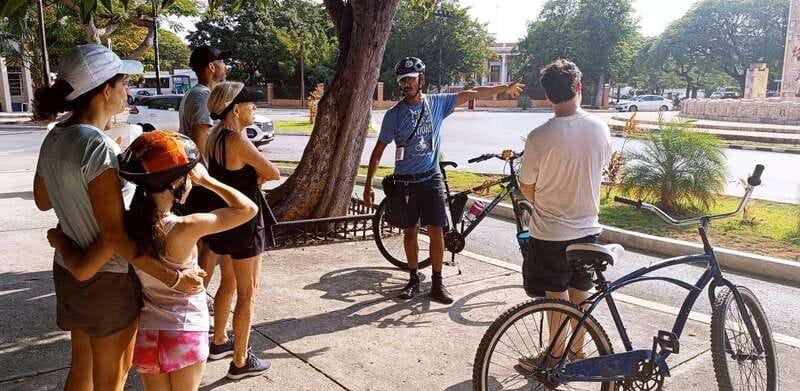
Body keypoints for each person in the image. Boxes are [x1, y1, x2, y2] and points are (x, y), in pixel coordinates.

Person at [32, 44, 204, 391]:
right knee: (112, 378)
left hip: (69, 269)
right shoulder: (99, 148)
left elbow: (43, 200)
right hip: (109, 280)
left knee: (81, 370)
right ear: (105, 90)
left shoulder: (56, 137)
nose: (127, 91)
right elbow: (114, 234)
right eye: (124, 83)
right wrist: (173, 279)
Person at [48, 131, 258, 391]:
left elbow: (82, 268)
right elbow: (248, 209)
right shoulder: (186, 227)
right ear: (177, 182)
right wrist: (209, 181)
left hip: (149, 334)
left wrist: (59, 240)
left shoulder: (126, 228)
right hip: (185, 330)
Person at [363, 57, 523, 304]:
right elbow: (378, 150)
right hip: (405, 182)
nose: (406, 84)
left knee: (437, 231)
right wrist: (367, 185)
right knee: (409, 233)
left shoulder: (437, 104)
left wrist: (503, 88)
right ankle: (414, 279)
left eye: (411, 79)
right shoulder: (393, 115)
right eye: (402, 80)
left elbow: (472, 92)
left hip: (431, 179)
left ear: (421, 80)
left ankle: (437, 283)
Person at [517, 59, 612, 367]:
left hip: (550, 233)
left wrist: (546, 200)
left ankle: (555, 356)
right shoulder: (600, 128)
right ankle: (577, 351)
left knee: (555, 297)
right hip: (588, 228)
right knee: (581, 293)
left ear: (547, 95)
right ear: (579, 88)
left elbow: (526, 187)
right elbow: (602, 169)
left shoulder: (539, 137)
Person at [204, 81, 281, 380]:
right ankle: (240, 361)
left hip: (225, 221)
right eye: (250, 104)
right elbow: (272, 172)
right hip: (246, 223)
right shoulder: (237, 140)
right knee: (248, 293)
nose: (254, 108)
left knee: (229, 284)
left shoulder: (215, 138)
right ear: (236, 109)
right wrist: (257, 179)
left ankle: (219, 341)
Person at [180, 45, 230, 290]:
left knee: (201, 242)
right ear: (211, 67)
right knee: (208, 244)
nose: (225, 67)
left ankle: (195, 294)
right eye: (222, 62)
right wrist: (215, 182)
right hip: (201, 181)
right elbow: (201, 144)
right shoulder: (201, 96)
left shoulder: (196, 93)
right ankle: (198, 295)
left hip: (195, 180)